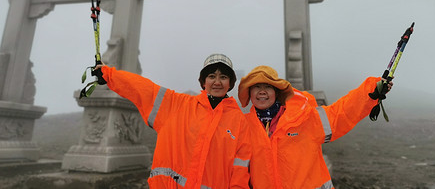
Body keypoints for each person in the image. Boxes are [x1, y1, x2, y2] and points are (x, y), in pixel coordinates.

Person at [94, 54, 251, 188]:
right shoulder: (177, 105)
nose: (217, 82)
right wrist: (109, 75)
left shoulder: (239, 121)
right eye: (212, 76)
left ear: (230, 84)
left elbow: (241, 169)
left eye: (223, 77)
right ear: (203, 82)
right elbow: (141, 88)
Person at [237, 65, 392, 189]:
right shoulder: (242, 127)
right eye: (257, 86)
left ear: (277, 92)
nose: (262, 91)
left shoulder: (304, 119)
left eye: (268, 86)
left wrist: (371, 91)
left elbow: (341, 114)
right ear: (249, 92)